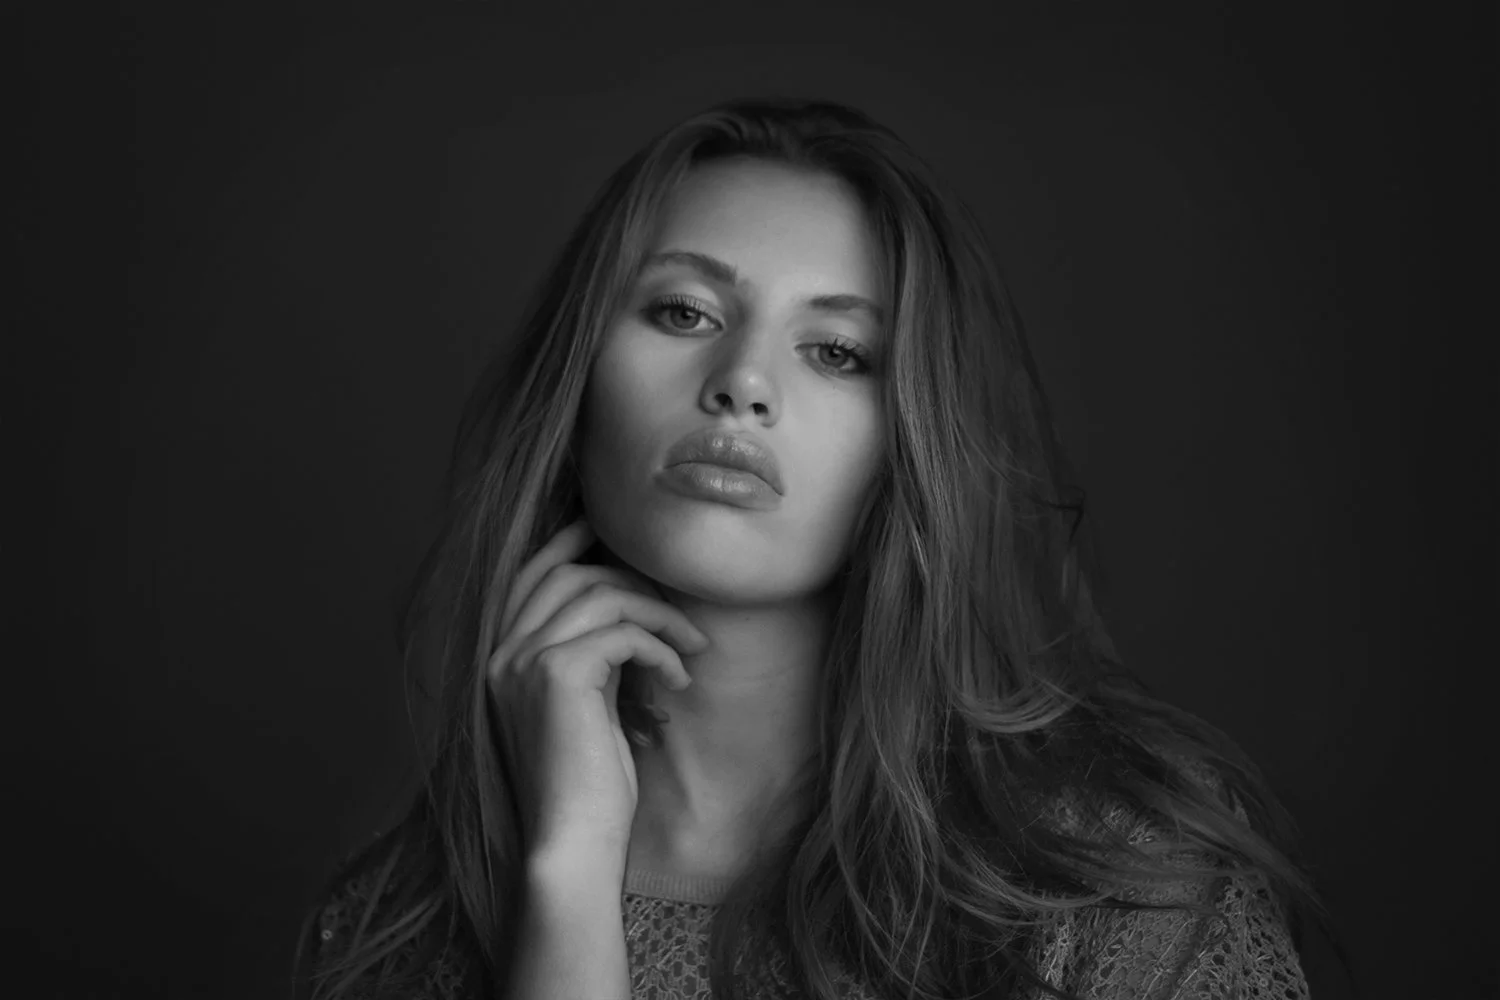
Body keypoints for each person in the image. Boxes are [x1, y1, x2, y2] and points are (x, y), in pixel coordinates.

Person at [290, 96, 1356, 1000]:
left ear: (913, 442)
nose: (742, 380)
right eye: (682, 309)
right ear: (575, 386)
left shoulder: (1114, 884)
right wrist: (567, 872)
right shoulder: (393, 929)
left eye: (838, 350)